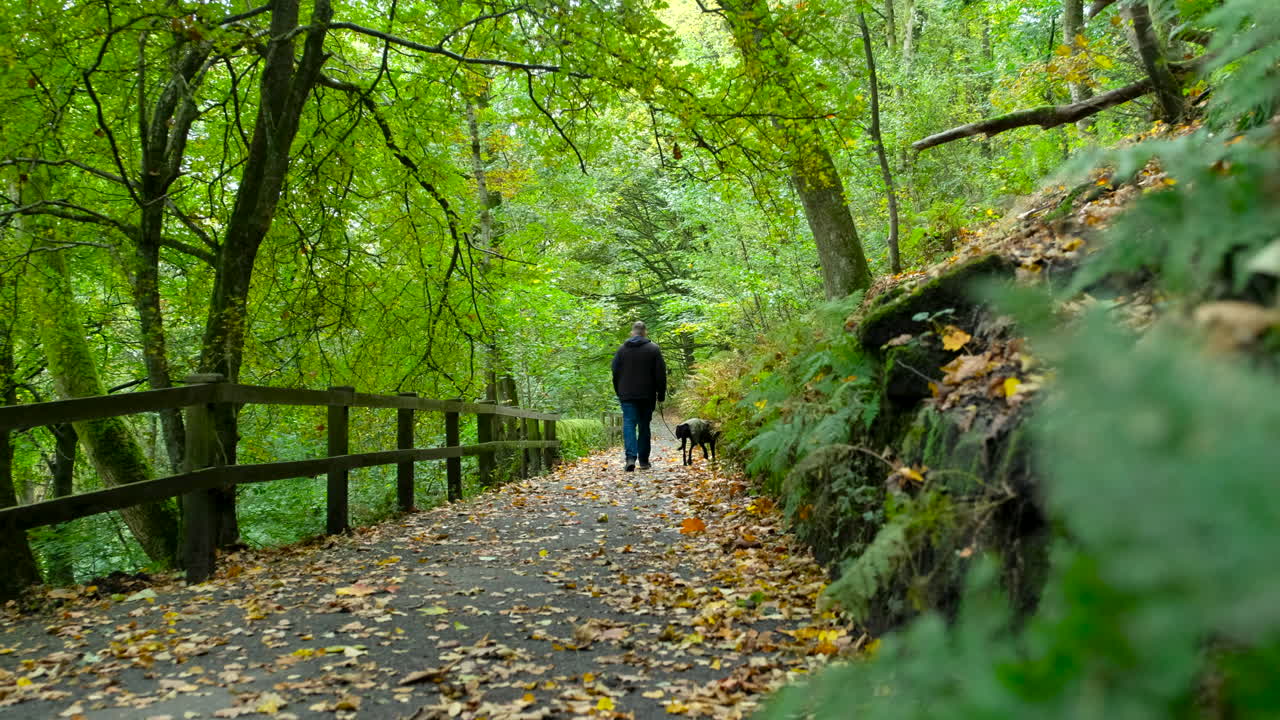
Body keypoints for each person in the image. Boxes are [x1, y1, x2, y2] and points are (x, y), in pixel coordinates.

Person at [611, 321, 667, 472]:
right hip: (647, 395)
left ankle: (630, 458)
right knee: (644, 426)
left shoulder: (622, 350)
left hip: (627, 394)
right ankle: (643, 461)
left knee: (629, 423)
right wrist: (661, 394)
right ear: (645, 332)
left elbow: (615, 372)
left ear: (632, 333)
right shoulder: (653, 349)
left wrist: (619, 391)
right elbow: (660, 374)